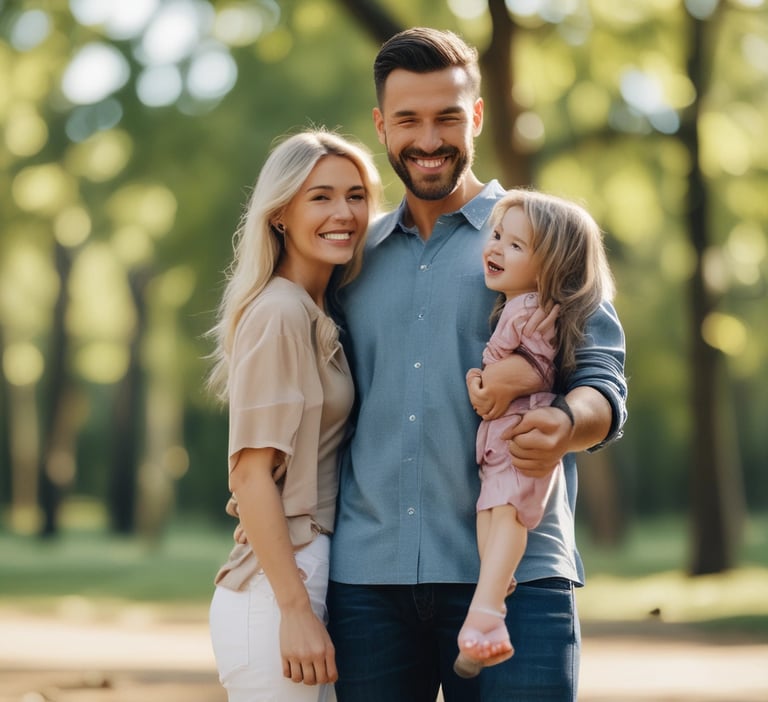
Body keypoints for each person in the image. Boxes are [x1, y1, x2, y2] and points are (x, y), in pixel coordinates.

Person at [326, 27, 627, 702]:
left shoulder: (544, 238)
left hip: (519, 579)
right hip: (370, 585)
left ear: (479, 116)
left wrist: (565, 421)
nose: (429, 139)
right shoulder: (348, 259)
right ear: (381, 125)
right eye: (408, 119)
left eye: (448, 117)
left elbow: (602, 381)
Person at [206, 128, 381, 702]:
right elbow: (250, 474)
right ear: (280, 214)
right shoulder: (280, 312)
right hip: (277, 593)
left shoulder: (316, 309)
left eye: (356, 196)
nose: (344, 213)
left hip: (310, 576)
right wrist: (295, 609)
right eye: (320, 197)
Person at [453, 189, 616, 679]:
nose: (495, 248)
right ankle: (493, 592)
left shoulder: (529, 310)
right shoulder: (516, 305)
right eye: (496, 235)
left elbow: (533, 365)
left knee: (504, 516)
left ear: (552, 267)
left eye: (516, 245)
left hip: (521, 437)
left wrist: (483, 382)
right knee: (493, 515)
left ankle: (486, 614)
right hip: (504, 438)